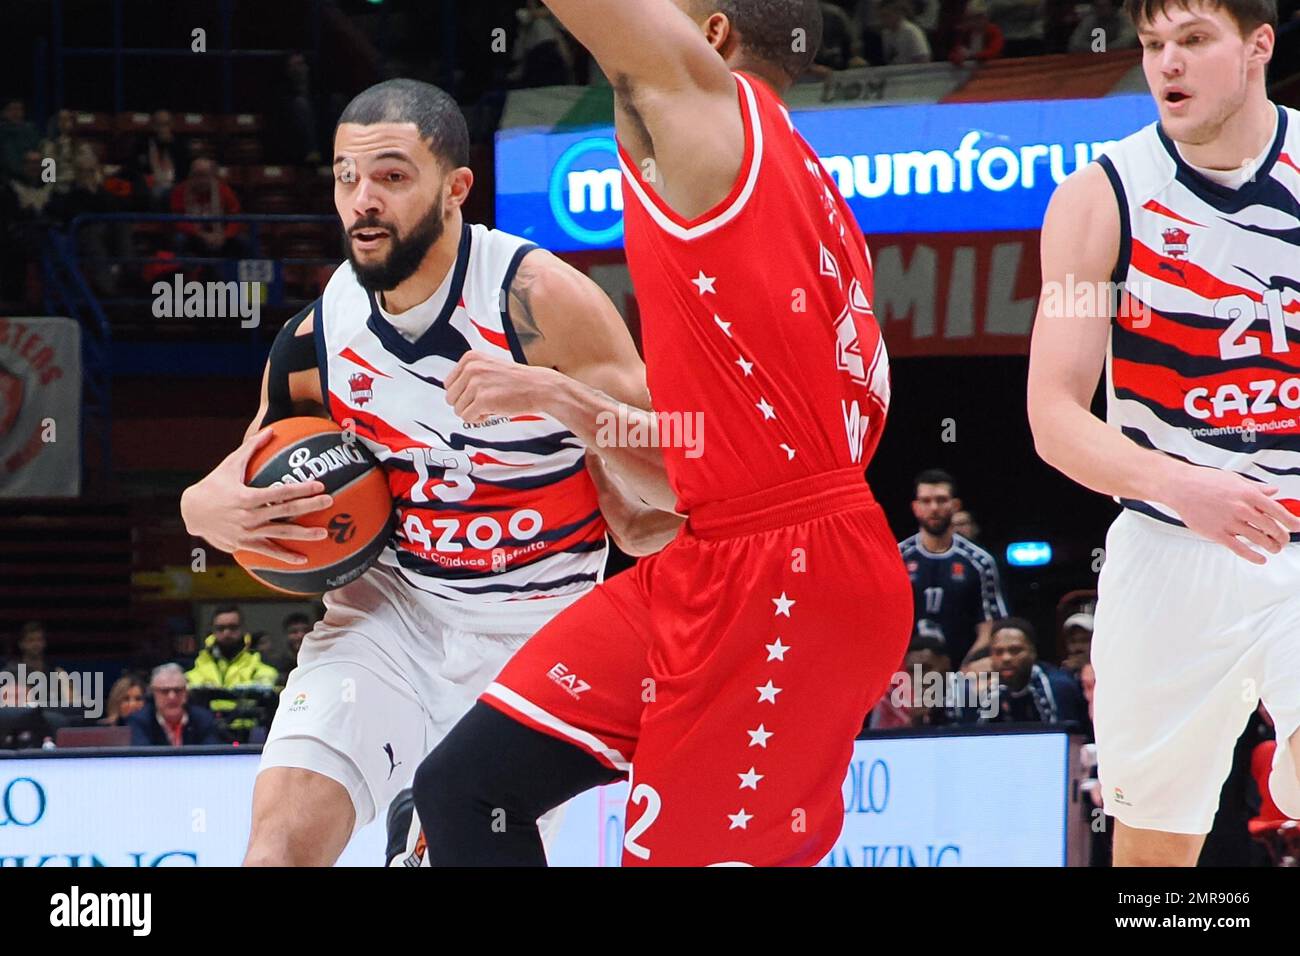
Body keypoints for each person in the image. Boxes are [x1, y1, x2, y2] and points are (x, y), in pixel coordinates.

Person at [413, 0, 912, 868]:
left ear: (709, 37)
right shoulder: (803, 187)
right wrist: (562, 400)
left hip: (784, 570)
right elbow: (686, 471)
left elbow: (620, 38)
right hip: (727, 548)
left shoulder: (717, 132)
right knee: (464, 787)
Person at [180, 78, 680, 866]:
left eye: (391, 175)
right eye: (347, 177)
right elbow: (247, 476)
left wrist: (556, 396)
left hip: (539, 629)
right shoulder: (317, 338)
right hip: (391, 619)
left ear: (456, 188)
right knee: (275, 851)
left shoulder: (539, 301)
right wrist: (199, 510)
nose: (362, 200)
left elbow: (678, 483)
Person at [1026, 0, 1300, 866]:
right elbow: (1055, 415)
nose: (1166, 65)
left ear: (1258, 46)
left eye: (1191, 41)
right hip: (1166, 546)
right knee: (1154, 860)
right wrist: (1183, 486)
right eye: (1151, 46)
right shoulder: (1099, 197)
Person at [899, 469, 1008, 667]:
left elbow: (990, 627)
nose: (934, 508)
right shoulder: (897, 558)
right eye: (926, 501)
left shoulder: (979, 561)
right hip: (905, 671)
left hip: (964, 670)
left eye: (941, 500)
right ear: (915, 507)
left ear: (955, 505)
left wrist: (963, 672)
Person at [982, 618, 1085, 725]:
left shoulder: (1057, 686)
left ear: (1032, 653)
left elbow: (1063, 737)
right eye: (998, 652)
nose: (1006, 658)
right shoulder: (988, 689)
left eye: (1015, 650)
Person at [169, 157, 248, 259]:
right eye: (196, 175)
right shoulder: (180, 191)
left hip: (220, 235)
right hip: (193, 236)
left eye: (204, 176)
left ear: (213, 176)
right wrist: (201, 235)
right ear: (190, 175)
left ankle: (238, 274)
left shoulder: (223, 190)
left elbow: (236, 216)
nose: (200, 180)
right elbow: (178, 221)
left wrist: (225, 235)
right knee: (179, 240)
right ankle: (179, 275)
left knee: (243, 241)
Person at [128, 664, 225, 746]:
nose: (172, 697)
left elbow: (211, 758)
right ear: (153, 693)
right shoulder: (140, 721)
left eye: (178, 690)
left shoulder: (204, 719)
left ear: (186, 693)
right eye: (164, 691)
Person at [185, 606, 280, 690]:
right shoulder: (202, 660)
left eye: (233, 627)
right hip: (208, 710)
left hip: (244, 710)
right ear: (213, 630)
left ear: (243, 629)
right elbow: (188, 681)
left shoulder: (256, 659)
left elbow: (269, 676)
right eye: (221, 628)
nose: (227, 633)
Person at [1068, 0, 1140, 51]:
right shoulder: (1091, 19)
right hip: (1095, 58)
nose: (1101, 10)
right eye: (1098, 6)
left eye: (1104, 6)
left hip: (1121, 58)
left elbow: (1127, 41)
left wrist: (1104, 49)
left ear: (1113, 7)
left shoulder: (1124, 16)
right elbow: (1075, 44)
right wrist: (1097, 49)